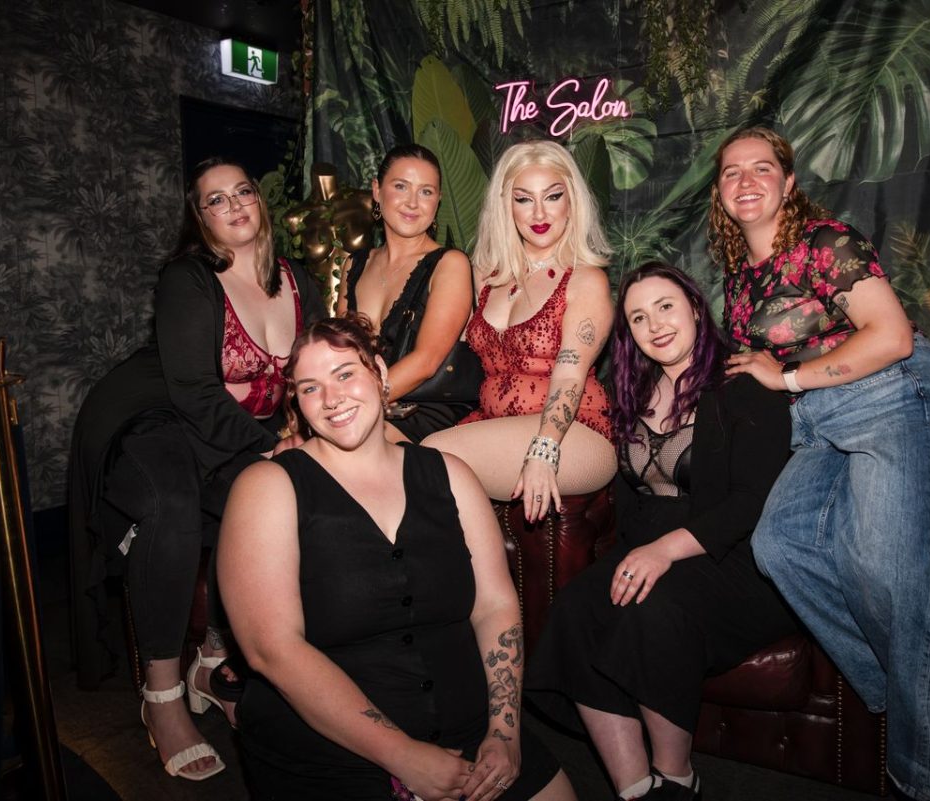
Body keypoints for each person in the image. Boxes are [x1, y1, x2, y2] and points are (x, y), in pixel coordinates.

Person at [711, 126, 930, 801]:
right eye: (730, 172)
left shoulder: (823, 242)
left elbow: (891, 337)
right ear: (719, 193)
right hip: (818, 423)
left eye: (762, 167)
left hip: (893, 395)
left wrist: (788, 379)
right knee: (783, 545)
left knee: (886, 566)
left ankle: (926, 781)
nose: (746, 180)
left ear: (788, 182)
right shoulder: (739, 281)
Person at [217, 315, 576, 801]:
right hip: (332, 744)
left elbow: (494, 606)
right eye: (310, 388)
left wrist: (505, 732)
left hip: (468, 722)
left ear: (380, 373)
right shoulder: (268, 487)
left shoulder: (450, 475)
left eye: (345, 373)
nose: (332, 398)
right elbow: (272, 648)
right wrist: (403, 755)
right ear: (297, 403)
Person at [67, 156, 326, 780]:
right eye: (216, 199)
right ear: (200, 218)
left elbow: (311, 371)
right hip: (158, 416)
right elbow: (193, 390)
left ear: (260, 201)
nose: (234, 205)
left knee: (277, 507)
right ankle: (161, 695)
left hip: (238, 431)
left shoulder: (298, 277)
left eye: (244, 191)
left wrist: (305, 434)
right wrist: (274, 448)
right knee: (175, 510)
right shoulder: (187, 278)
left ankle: (212, 661)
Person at [526, 263, 796, 801]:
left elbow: (754, 501)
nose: (655, 325)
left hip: (733, 558)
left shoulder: (744, 383)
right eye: (638, 317)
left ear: (695, 306)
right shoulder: (631, 390)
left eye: (666, 307)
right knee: (577, 608)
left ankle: (676, 778)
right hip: (647, 546)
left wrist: (662, 552)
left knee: (652, 609)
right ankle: (634, 787)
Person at [423, 140, 616, 521]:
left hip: (573, 431)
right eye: (524, 199)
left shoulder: (585, 280)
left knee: (429, 456)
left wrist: (544, 450)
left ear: (572, 202)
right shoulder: (485, 276)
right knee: (401, 458)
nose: (539, 213)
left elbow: (570, 373)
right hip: (495, 424)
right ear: (506, 206)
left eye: (553, 196)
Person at [337, 144, 475, 441]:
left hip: (425, 411)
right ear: (377, 190)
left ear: (438, 200)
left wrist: (349, 405)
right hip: (361, 407)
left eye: (426, 192)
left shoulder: (450, 264)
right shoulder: (355, 265)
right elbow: (341, 352)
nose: (413, 202)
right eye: (401, 186)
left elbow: (426, 361)